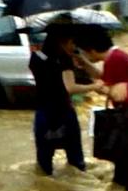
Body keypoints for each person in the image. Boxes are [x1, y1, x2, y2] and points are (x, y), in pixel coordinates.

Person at [75, 26, 128, 191]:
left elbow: (119, 95)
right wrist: (85, 64)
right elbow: (105, 77)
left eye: (84, 52)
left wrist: (98, 88)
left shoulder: (116, 60)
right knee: (121, 182)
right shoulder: (116, 57)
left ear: (90, 50)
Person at [29, 24, 103, 176]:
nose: (73, 46)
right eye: (71, 42)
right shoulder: (64, 60)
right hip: (64, 115)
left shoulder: (35, 58)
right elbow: (70, 87)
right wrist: (93, 86)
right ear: (61, 42)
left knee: (44, 166)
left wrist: (80, 58)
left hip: (43, 116)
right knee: (77, 163)